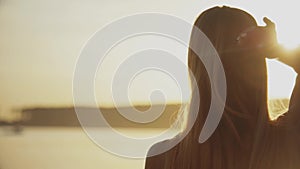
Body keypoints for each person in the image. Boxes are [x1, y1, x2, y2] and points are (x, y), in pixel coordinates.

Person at [144, 6, 300, 169]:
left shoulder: (163, 157)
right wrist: (277, 50)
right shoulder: (287, 142)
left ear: (195, 64)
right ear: (258, 68)